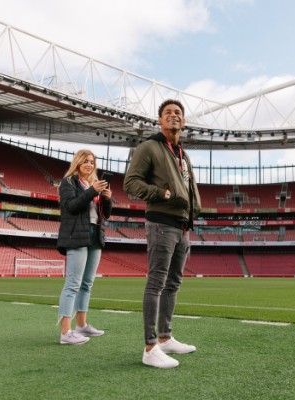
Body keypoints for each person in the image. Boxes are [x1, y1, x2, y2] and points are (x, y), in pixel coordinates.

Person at [124, 99, 201, 368]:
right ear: (159, 120)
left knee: (173, 283)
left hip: (182, 225)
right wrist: (161, 193)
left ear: (184, 121)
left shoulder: (182, 152)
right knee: (157, 282)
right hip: (161, 223)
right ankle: (150, 347)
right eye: (167, 113)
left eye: (178, 113)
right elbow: (130, 182)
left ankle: (166, 338)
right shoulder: (149, 147)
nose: (173, 116)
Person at [56, 149, 112, 345]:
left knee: (87, 284)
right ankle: (65, 332)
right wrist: (92, 191)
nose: (89, 164)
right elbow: (70, 206)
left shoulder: (92, 184)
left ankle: (82, 325)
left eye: (92, 161)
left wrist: (106, 198)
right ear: (77, 163)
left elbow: (106, 215)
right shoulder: (68, 182)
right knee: (73, 283)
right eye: (85, 161)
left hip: (95, 235)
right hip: (77, 236)